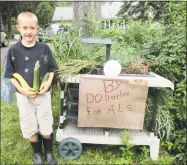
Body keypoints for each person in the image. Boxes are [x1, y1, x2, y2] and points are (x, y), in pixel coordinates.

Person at [4, 12, 58, 165]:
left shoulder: (44, 48)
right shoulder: (13, 51)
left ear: (37, 29)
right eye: (25, 27)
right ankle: (37, 154)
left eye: (32, 28)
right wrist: (22, 90)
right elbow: (11, 75)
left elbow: (52, 70)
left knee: (46, 123)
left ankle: (48, 152)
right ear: (18, 28)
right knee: (29, 125)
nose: (29, 31)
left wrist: (47, 83)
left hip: (43, 95)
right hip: (24, 97)